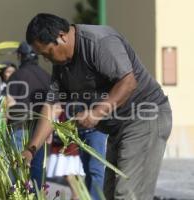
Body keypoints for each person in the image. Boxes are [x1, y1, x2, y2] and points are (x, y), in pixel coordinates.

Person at [22, 13, 172, 200]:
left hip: (145, 118)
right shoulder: (61, 64)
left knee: (127, 195)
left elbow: (128, 82)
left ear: (61, 36)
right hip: (118, 128)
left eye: (47, 53)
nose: (46, 59)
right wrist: (31, 149)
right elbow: (53, 106)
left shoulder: (99, 42)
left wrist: (96, 113)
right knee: (108, 195)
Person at [5, 41, 50, 189]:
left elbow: (8, 103)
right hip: (40, 129)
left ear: (20, 56)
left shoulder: (16, 75)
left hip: (19, 128)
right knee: (37, 168)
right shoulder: (46, 76)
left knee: (19, 168)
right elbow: (52, 105)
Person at [47, 112, 85, 200]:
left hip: (65, 127)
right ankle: (76, 193)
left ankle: (76, 194)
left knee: (66, 167)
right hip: (64, 124)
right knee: (67, 167)